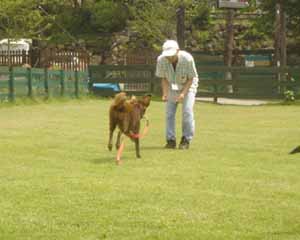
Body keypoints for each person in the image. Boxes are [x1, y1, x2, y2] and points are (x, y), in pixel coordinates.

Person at [155, 40, 199, 149]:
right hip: (171, 86)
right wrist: (165, 93)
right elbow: (164, 78)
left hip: (188, 85)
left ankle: (186, 139)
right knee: (169, 113)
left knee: (187, 111)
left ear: (178, 51)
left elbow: (191, 78)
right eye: (167, 56)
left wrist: (183, 94)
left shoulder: (188, 58)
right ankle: (170, 140)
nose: (169, 58)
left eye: (171, 55)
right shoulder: (161, 60)